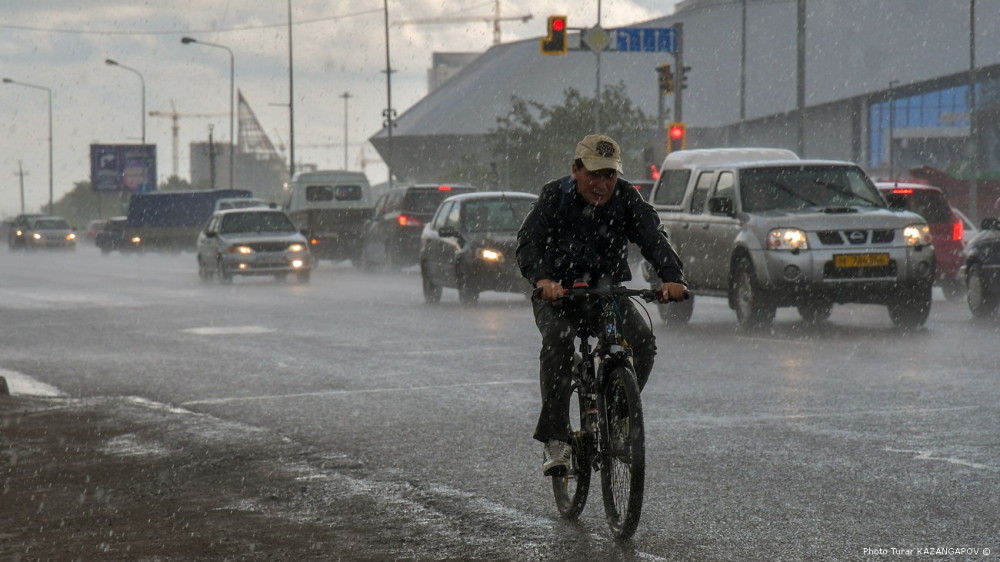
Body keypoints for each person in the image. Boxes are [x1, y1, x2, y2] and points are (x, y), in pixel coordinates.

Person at [516, 134, 688, 476]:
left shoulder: (627, 198)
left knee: (642, 343)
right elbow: (527, 244)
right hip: (558, 295)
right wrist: (543, 280)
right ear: (576, 169)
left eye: (610, 175)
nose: (602, 184)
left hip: (604, 294)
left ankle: (620, 415)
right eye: (594, 174)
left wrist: (673, 277)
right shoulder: (554, 196)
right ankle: (556, 438)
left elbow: (653, 237)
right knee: (559, 342)